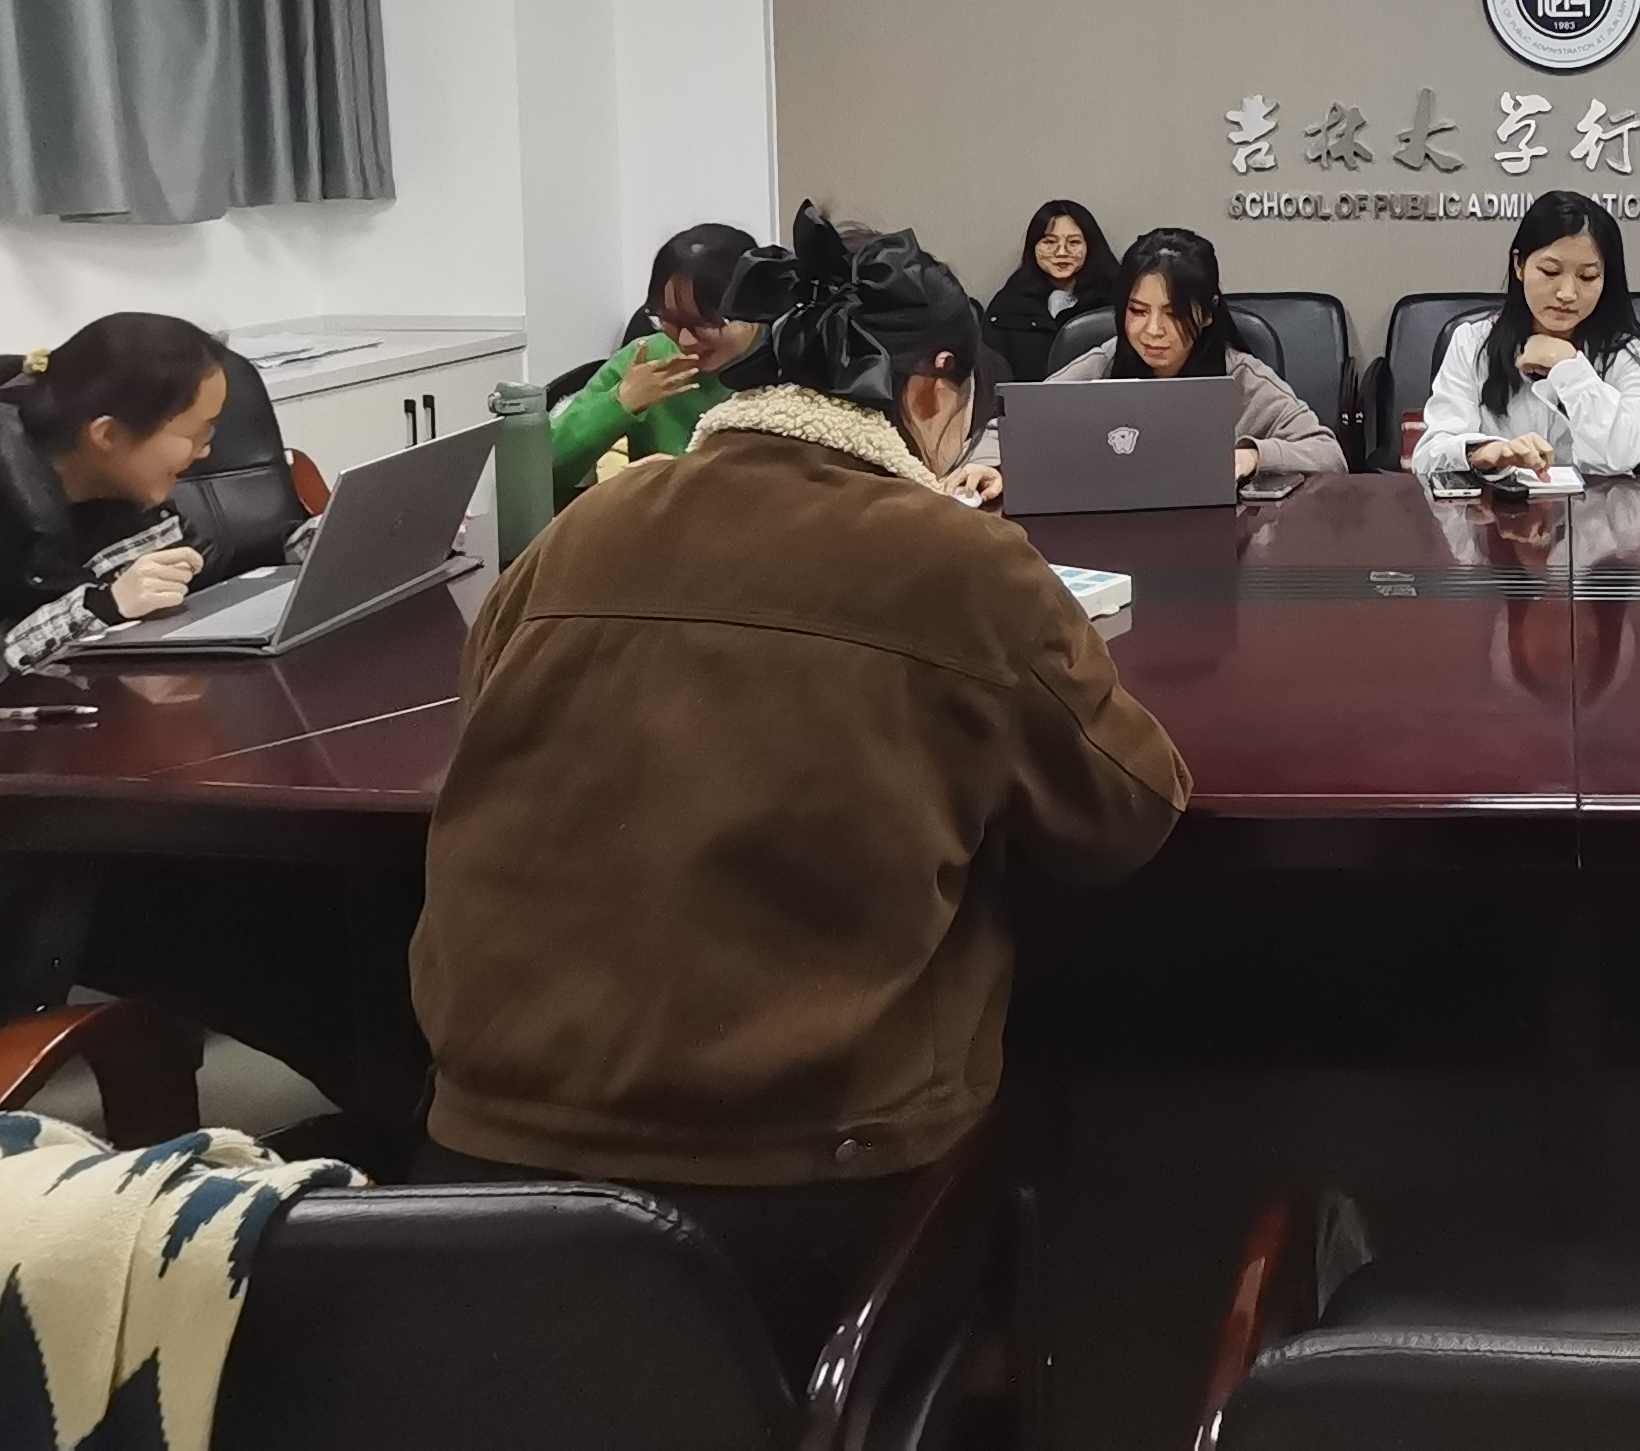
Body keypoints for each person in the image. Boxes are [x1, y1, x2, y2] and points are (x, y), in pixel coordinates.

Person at [409, 203, 1189, 1372]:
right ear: (935, 386)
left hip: (479, 1166)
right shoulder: (966, 565)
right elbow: (1130, 811)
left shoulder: (590, 525)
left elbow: (489, 714)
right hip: (802, 1188)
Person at [0, 314, 229, 682]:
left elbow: (198, 572)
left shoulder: (121, 490)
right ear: (107, 435)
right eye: (195, 432)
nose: (205, 449)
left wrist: (289, 547)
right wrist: (92, 611)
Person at [1050, 229, 1344, 485]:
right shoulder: (1104, 363)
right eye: (1138, 311)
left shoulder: (1242, 377)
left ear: (1207, 313)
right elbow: (1025, 427)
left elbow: (1330, 456)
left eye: (1174, 313)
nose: (1153, 330)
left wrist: (1253, 456)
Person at [1414, 191, 1640, 480]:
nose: (1567, 293)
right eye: (1550, 271)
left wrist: (1569, 366)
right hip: (1499, 505)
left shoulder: (1630, 353)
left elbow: (1621, 457)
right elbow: (1428, 456)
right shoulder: (1472, 343)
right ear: (1519, 265)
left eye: (1588, 276)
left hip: (1597, 507)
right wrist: (1485, 453)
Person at [548, 223, 768, 500]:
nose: (685, 340)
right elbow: (543, 471)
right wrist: (618, 403)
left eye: (703, 323)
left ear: (754, 309)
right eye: (669, 320)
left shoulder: (792, 359)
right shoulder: (646, 359)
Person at [985, 199, 1119, 384]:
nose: (1061, 252)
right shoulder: (1007, 306)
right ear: (1033, 246)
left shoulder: (1115, 299)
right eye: (1049, 241)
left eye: (1074, 242)